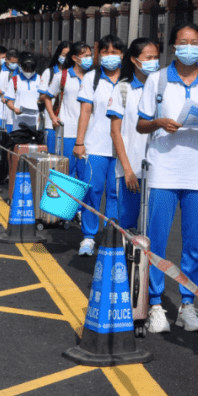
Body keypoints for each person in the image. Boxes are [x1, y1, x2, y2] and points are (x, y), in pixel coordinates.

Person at [136, 23, 198, 333]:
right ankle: (156, 304)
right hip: (163, 168)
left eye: (194, 42)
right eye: (182, 42)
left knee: (197, 243)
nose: (189, 47)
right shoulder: (157, 80)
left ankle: (188, 304)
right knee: (156, 239)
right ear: (173, 46)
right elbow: (141, 124)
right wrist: (159, 122)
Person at [74, 35, 126, 256]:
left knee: (116, 194)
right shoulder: (92, 78)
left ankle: (111, 235)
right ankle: (88, 236)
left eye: (114, 52)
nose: (110, 56)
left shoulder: (130, 79)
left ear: (123, 55)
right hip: (95, 146)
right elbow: (85, 111)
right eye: (105, 52)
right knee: (92, 191)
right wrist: (79, 141)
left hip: (122, 148)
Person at [109, 38, 160, 233]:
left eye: (156, 57)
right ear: (134, 60)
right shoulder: (123, 89)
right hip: (131, 170)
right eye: (148, 57)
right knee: (127, 223)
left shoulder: (162, 89)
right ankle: (123, 261)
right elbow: (115, 132)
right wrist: (128, 170)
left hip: (158, 169)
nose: (153, 61)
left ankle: (145, 262)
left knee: (152, 226)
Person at [44, 42, 93, 180]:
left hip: (89, 134)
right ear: (74, 58)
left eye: (90, 55)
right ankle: (67, 202)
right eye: (85, 56)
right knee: (67, 174)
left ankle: (81, 202)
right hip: (67, 134)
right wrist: (53, 117)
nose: (88, 59)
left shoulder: (94, 78)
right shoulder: (62, 76)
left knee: (86, 176)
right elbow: (47, 97)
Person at [39, 41, 71, 153]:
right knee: (52, 153)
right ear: (58, 55)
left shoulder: (74, 74)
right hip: (51, 121)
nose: (66, 58)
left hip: (69, 124)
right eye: (63, 54)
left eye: (68, 54)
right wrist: (57, 93)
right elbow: (42, 96)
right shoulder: (50, 72)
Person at [3, 52, 42, 132]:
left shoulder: (40, 80)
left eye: (31, 70)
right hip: (19, 121)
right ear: (21, 67)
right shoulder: (15, 80)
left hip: (36, 121)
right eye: (26, 69)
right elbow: (9, 100)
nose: (28, 72)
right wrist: (14, 109)